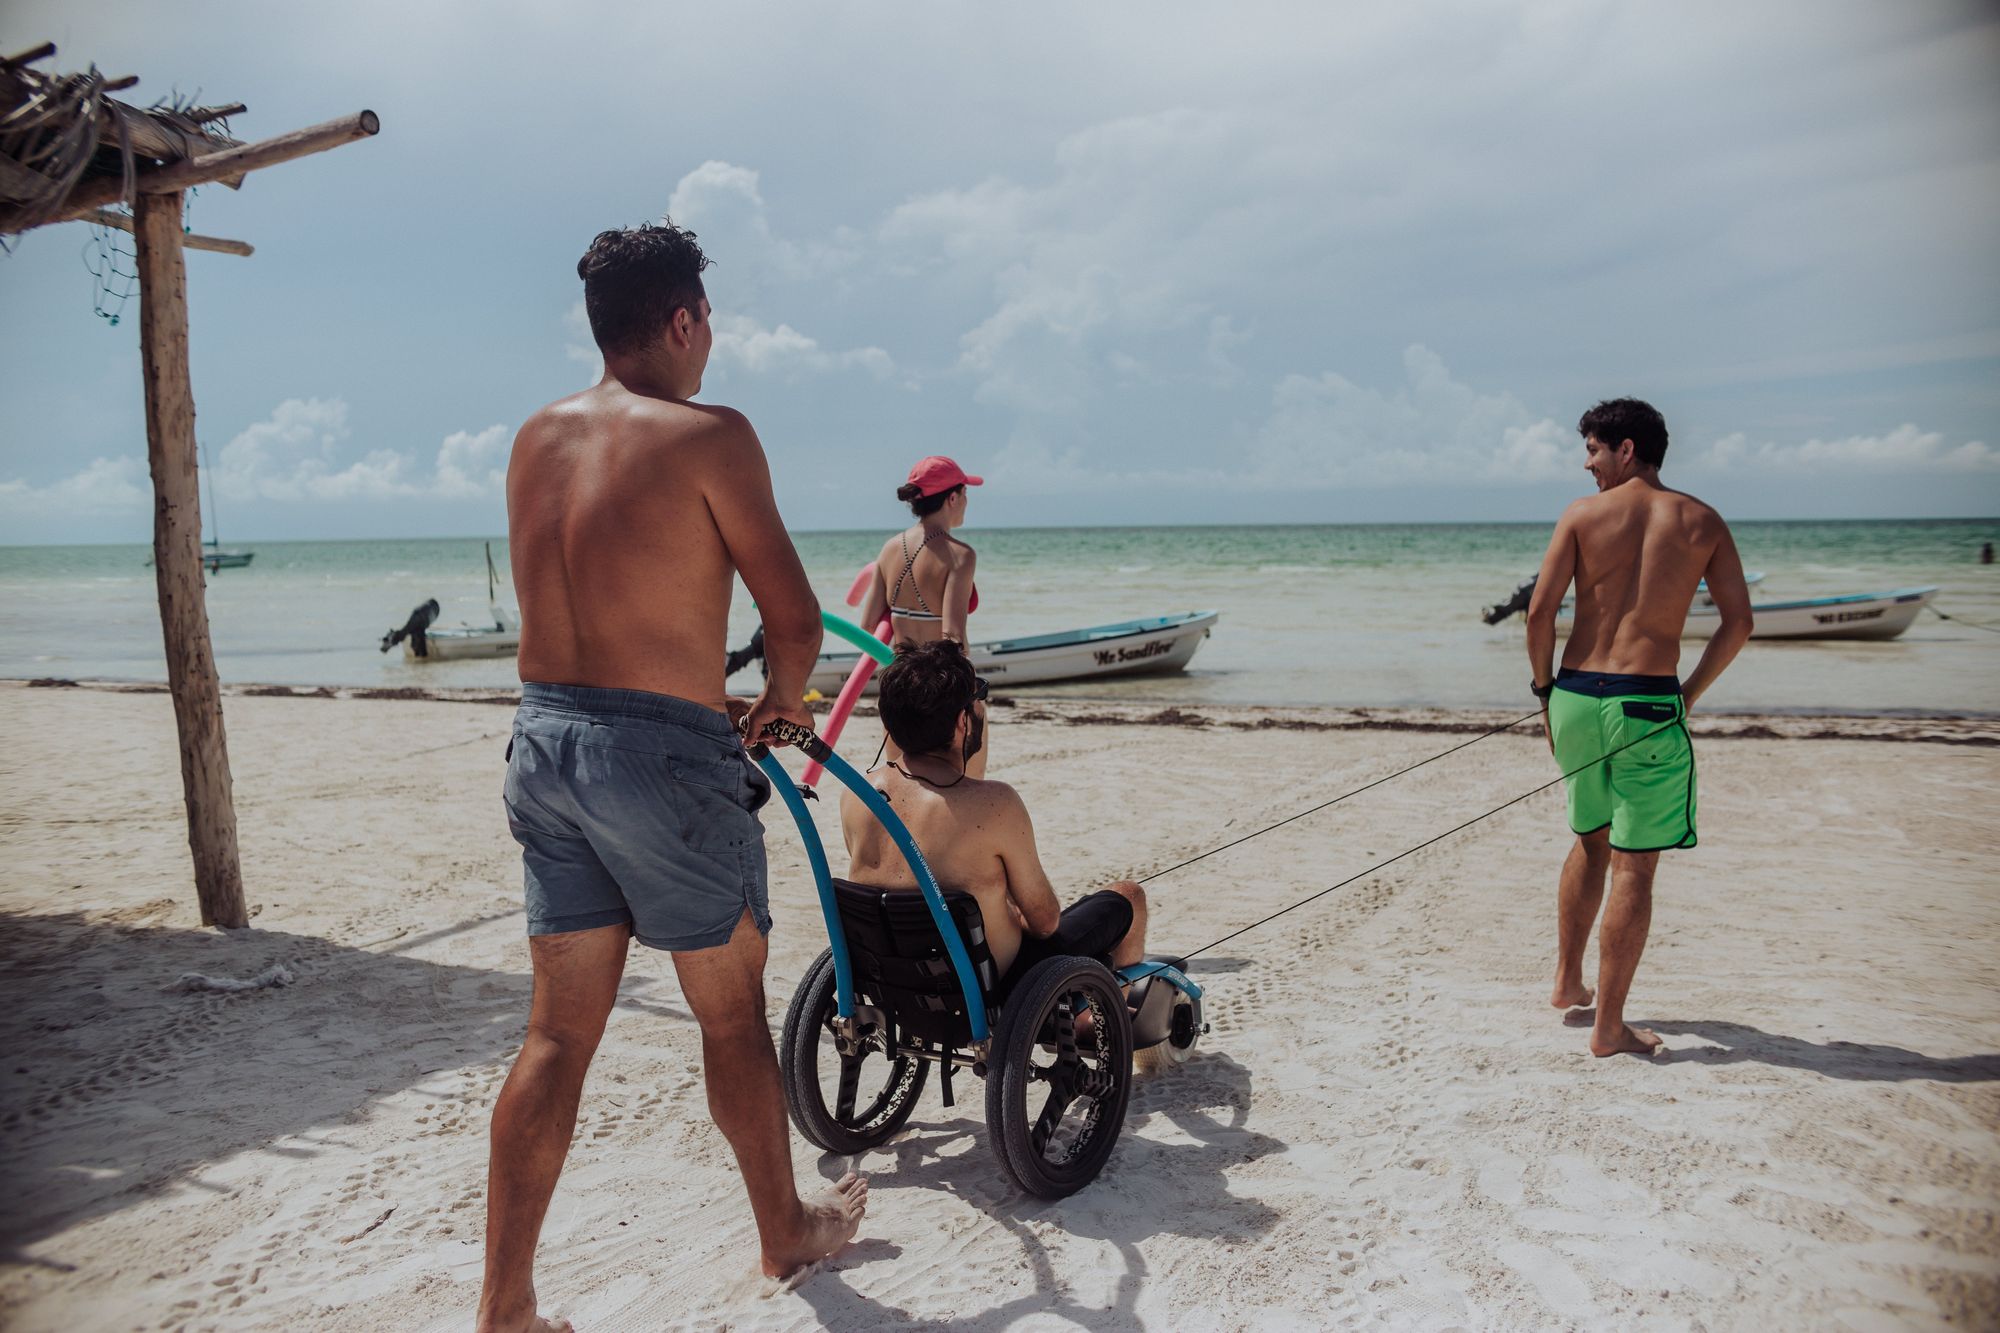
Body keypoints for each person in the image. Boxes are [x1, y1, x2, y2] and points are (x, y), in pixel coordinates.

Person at [481, 220, 864, 1333]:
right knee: (730, 1015)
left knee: (557, 1034)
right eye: (710, 323)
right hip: (659, 751)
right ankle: (782, 1230)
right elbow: (791, 619)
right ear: (684, 320)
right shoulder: (711, 435)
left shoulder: (532, 438)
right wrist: (782, 702)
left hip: (544, 741)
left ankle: (505, 1307)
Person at [1525, 398, 1753, 1059]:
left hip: (1573, 695)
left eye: (1594, 449)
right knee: (1636, 866)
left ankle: (1569, 982)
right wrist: (1687, 694)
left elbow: (1540, 615)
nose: (1587, 463)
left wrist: (1545, 691)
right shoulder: (1701, 519)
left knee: (1589, 838)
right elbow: (1738, 623)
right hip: (1648, 700)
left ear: (1627, 449)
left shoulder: (1580, 514)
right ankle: (1610, 1027)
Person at [839, 639, 1146, 986]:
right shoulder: (995, 805)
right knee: (1128, 897)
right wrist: (1010, 912)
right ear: (961, 721)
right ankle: (1100, 1024)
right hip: (982, 985)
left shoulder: (858, 793)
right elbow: (1045, 922)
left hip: (891, 977)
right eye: (978, 698)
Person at [855, 457, 991, 777]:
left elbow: (867, 627)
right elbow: (953, 638)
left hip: (899, 687)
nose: (966, 502)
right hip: (942, 690)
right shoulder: (960, 555)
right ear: (952, 498)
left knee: (901, 782)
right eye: (965, 494)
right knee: (966, 785)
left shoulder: (889, 548)